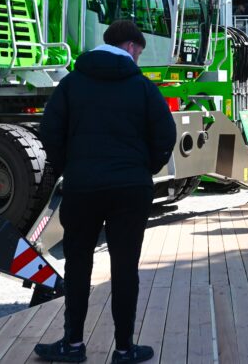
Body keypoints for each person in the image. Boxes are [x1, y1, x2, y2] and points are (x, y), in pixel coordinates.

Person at [36, 20, 176, 363]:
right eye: (139, 53)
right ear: (130, 47)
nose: (138, 60)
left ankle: (72, 345)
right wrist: (144, 168)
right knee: (125, 267)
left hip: (83, 187)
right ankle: (125, 349)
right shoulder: (143, 88)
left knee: (78, 264)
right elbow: (165, 135)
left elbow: (49, 132)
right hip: (130, 190)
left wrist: (71, 167)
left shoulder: (71, 84)